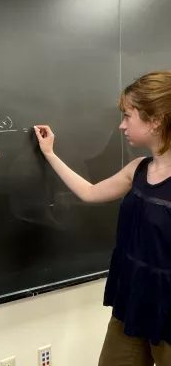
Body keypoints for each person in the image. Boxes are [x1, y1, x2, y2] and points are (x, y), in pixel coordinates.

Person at [34, 71, 171, 366]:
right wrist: (50, 154)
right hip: (131, 303)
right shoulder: (138, 169)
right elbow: (90, 192)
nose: (121, 125)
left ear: (156, 119)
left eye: (128, 116)